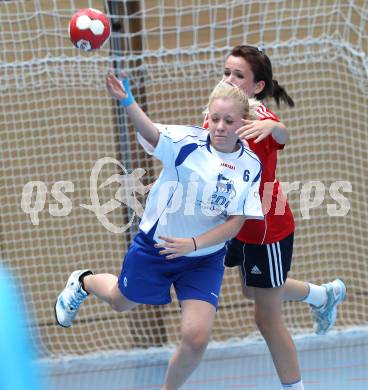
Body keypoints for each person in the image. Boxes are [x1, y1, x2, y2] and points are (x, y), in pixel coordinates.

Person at [55, 74, 264, 390]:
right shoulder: (186, 144)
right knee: (120, 301)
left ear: (242, 123)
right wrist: (128, 102)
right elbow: (151, 133)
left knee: (196, 338)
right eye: (216, 118)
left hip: (203, 258)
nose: (220, 126)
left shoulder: (250, 164)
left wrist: (193, 245)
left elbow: (235, 223)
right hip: (158, 248)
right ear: (207, 117)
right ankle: (82, 281)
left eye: (229, 120)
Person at [202, 45, 347, 390]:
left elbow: (282, 132)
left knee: (266, 318)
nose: (230, 80)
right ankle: (322, 295)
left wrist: (275, 126)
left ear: (257, 86)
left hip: (266, 228)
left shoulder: (258, 119)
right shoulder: (215, 116)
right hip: (234, 223)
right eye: (226, 73)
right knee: (255, 292)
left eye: (239, 75)